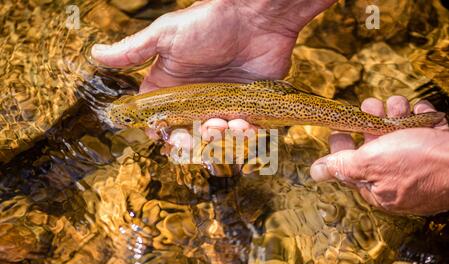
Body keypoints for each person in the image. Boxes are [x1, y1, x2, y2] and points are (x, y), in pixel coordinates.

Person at [91, 0, 449, 216]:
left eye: (125, 118)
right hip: (270, 100)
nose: (117, 120)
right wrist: (249, 12)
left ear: (151, 120)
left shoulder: (159, 118)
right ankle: (414, 127)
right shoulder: (158, 109)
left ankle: (405, 128)